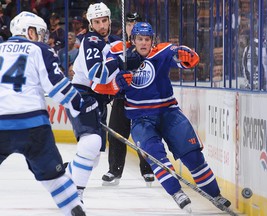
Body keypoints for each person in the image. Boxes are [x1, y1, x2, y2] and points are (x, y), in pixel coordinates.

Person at [97, 22, 232, 213]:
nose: (143, 43)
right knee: (156, 157)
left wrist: (187, 55)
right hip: (141, 119)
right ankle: (176, 192)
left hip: (169, 113)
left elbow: (182, 58)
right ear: (132, 40)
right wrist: (118, 84)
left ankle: (215, 194)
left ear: (152, 41)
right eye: (140, 39)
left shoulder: (162, 52)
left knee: (193, 156)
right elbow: (102, 81)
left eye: (147, 39)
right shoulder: (120, 55)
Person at [0, 11, 99, 216]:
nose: (42, 37)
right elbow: (57, 87)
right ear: (28, 31)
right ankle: (75, 211)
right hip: (33, 125)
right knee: (55, 180)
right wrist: (79, 104)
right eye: (38, 32)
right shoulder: (39, 50)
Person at [65, 2, 123, 203]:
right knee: (91, 143)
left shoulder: (113, 41)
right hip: (82, 94)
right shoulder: (91, 40)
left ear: (109, 20)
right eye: (96, 22)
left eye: (104, 21)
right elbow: (97, 74)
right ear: (91, 23)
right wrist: (118, 60)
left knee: (95, 156)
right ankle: (75, 194)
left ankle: (64, 175)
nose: (101, 26)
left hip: (98, 98)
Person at [102, 12, 154, 186]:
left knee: (145, 134)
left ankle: (148, 170)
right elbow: (108, 70)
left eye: (135, 23)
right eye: (129, 24)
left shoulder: (148, 46)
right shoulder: (117, 47)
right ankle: (114, 170)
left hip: (143, 100)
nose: (131, 27)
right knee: (116, 133)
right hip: (121, 98)